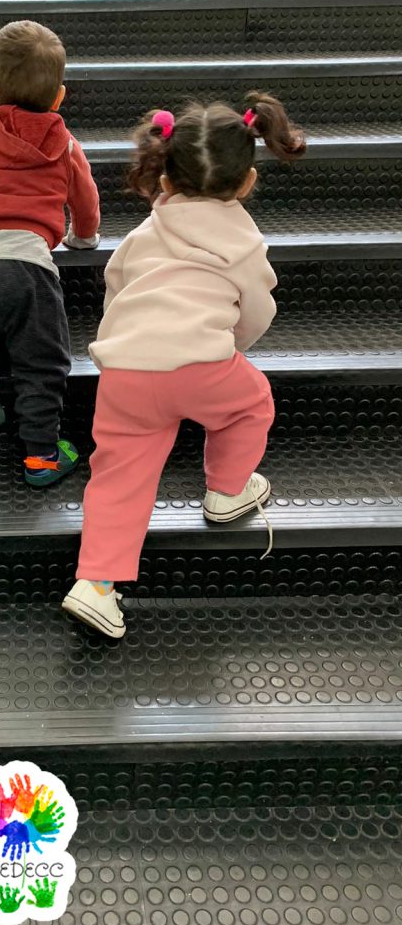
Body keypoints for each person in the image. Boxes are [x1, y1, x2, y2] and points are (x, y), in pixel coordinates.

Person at [62, 93, 306, 638]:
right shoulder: (244, 242)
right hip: (202, 364)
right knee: (251, 404)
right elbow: (257, 311)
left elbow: (116, 292)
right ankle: (227, 491)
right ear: (247, 182)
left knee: (119, 475)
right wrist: (231, 346)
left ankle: (95, 584)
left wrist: (126, 344)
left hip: (126, 371)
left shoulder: (141, 237)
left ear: (165, 178)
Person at [0, 20, 101, 486]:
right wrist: (83, 238)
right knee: (42, 362)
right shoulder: (64, 143)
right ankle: (42, 455)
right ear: (59, 97)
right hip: (28, 268)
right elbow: (86, 202)